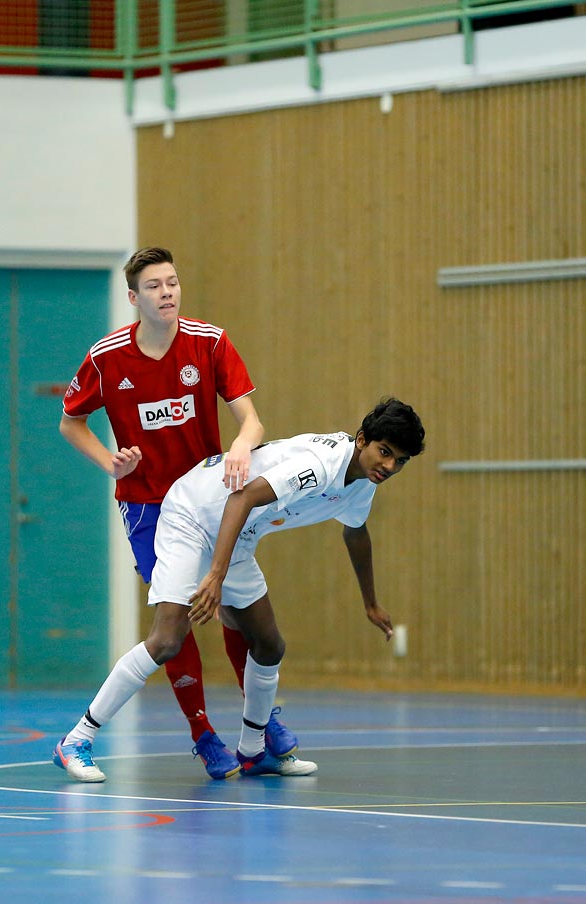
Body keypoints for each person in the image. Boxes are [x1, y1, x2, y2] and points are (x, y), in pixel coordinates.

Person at [52, 398, 425, 782]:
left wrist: (371, 603)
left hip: (238, 531)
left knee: (268, 643)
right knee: (167, 639)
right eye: (385, 453)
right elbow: (242, 496)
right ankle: (76, 740)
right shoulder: (319, 465)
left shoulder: (363, 481)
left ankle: (252, 752)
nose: (389, 466)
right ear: (362, 440)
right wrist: (215, 575)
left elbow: (355, 531)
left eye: (400, 460)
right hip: (192, 516)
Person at [56, 246, 283, 781]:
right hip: (149, 508)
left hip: (209, 502)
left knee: (238, 614)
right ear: (134, 298)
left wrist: (242, 447)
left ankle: (263, 732)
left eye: (173, 283)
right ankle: (203, 734)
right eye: (155, 286)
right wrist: (111, 462)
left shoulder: (209, 343)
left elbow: (251, 422)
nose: (167, 293)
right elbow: (71, 422)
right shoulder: (107, 357)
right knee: (173, 625)